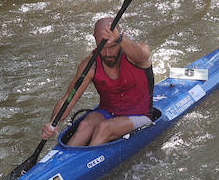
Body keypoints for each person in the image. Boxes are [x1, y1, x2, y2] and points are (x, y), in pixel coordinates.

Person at [40, 18, 158, 147]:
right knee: (85, 125)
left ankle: (87, 164)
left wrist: (121, 39)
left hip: (140, 116)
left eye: (112, 46)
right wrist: (52, 123)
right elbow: (68, 99)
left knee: (104, 128)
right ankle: (65, 160)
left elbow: (143, 55)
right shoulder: (90, 65)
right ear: (95, 39)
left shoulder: (136, 54)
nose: (107, 53)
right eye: (102, 46)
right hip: (107, 113)